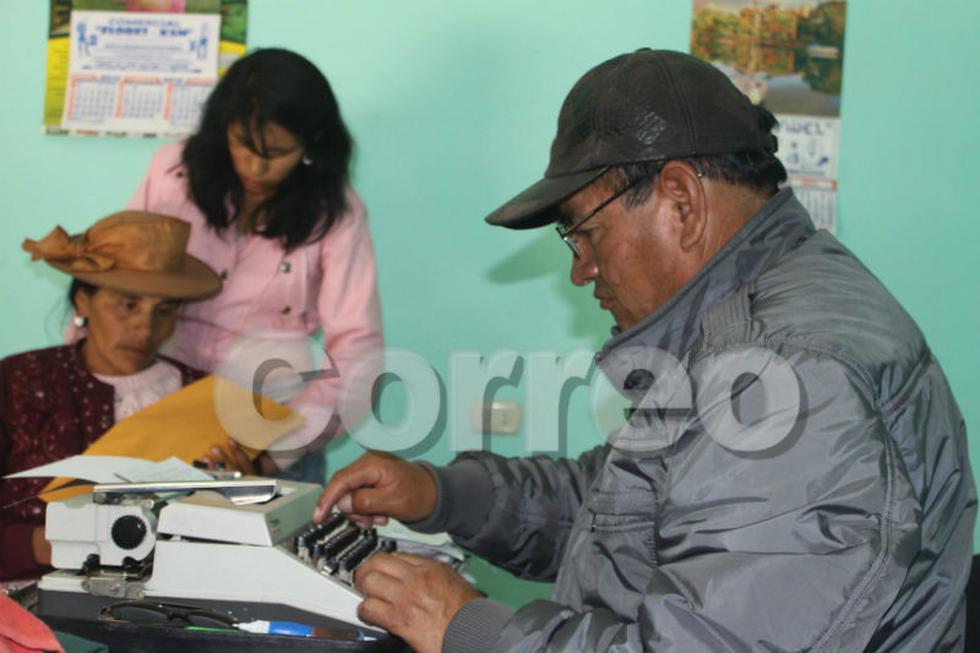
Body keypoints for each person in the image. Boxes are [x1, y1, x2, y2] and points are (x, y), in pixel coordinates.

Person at [313, 49, 976, 653]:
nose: (581, 270)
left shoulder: (795, 371)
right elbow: (624, 508)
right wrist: (442, 494)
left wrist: (474, 629)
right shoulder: (755, 316)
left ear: (682, 203)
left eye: (582, 233)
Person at [105, 47, 383, 482]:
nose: (256, 165)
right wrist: (84, 385)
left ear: (312, 142)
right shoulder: (172, 175)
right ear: (223, 129)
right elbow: (115, 283)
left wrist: (275, 455)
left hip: (272, 431)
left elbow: (358, 350)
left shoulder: (338, 213)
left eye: (277, 151)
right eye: (243, 145)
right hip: (158, 422)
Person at [1, 211, 222, 581]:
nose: (144, 327)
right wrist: (61, 545)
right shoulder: (17, 381)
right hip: (25, 598)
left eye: (163, 311)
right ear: (83, 301)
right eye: (127, 304)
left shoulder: (204, 397)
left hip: (169, 603)